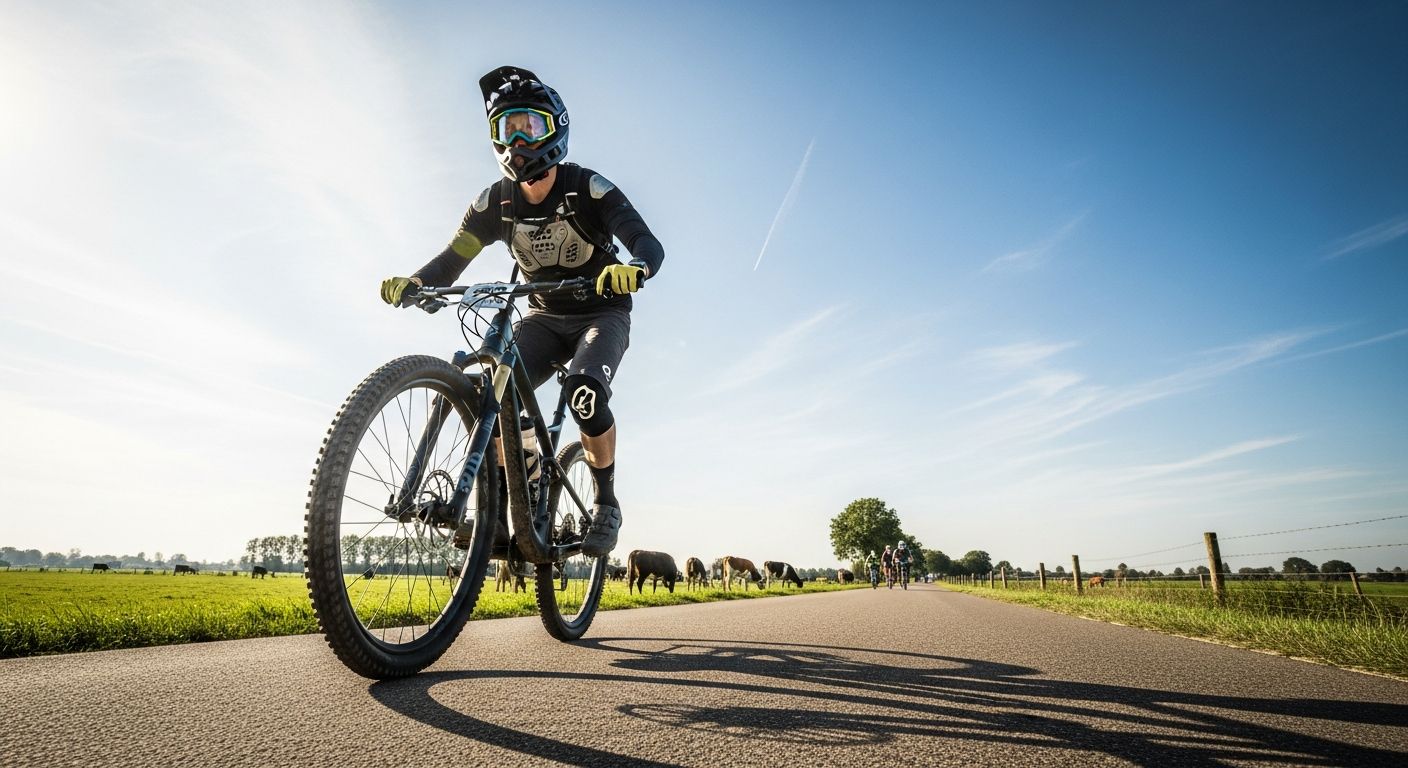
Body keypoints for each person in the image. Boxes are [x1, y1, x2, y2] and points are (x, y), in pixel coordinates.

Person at [379, 66, 664, 559]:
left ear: (556, 127)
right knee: (493, 392)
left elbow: (645, 242)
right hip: (542, 317)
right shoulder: (494, 203)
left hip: (601, 312)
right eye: (504, 129)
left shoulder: (587, 189)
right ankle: (507, 508)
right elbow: (453, 259)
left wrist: (634, 266)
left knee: (584, 395)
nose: (516, 140)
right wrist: (419, 282)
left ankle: (606, 503)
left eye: (528, 126)